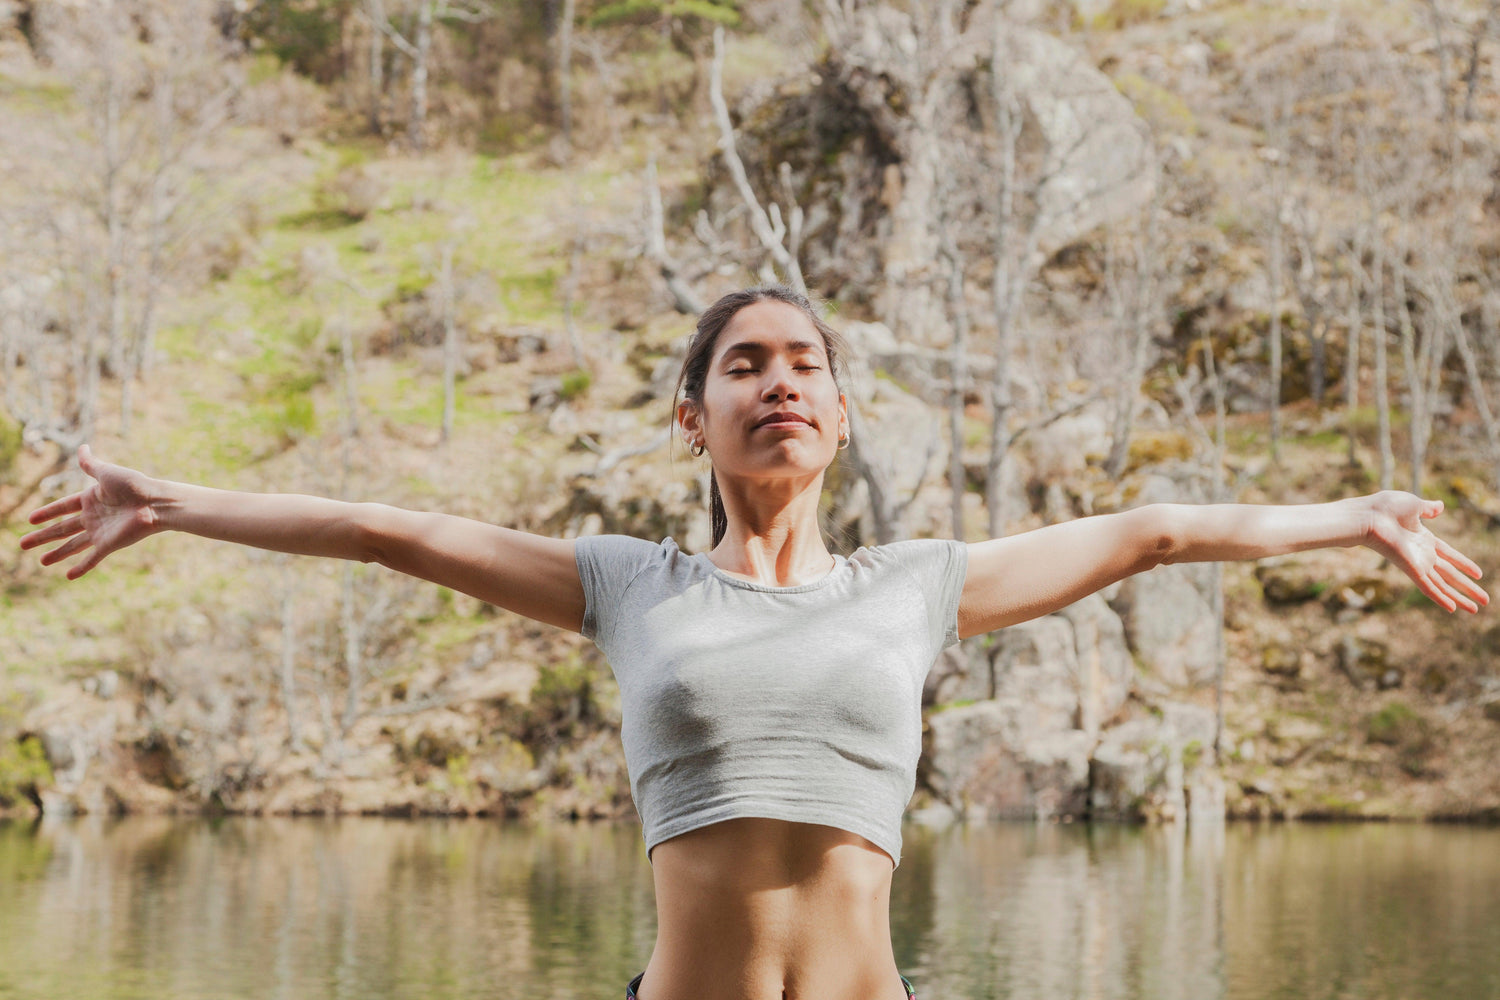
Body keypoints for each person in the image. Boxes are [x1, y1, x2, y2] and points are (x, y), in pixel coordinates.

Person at [20, 283, 1488, 1000]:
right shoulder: (622, 582)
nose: (778, 382)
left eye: (805, 366)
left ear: (840, 413)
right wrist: (171, 502)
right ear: (695, 414)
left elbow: (1156, 529)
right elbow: (379, 527)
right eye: (745, 365)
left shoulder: (920, 583)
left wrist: (1356, 514)